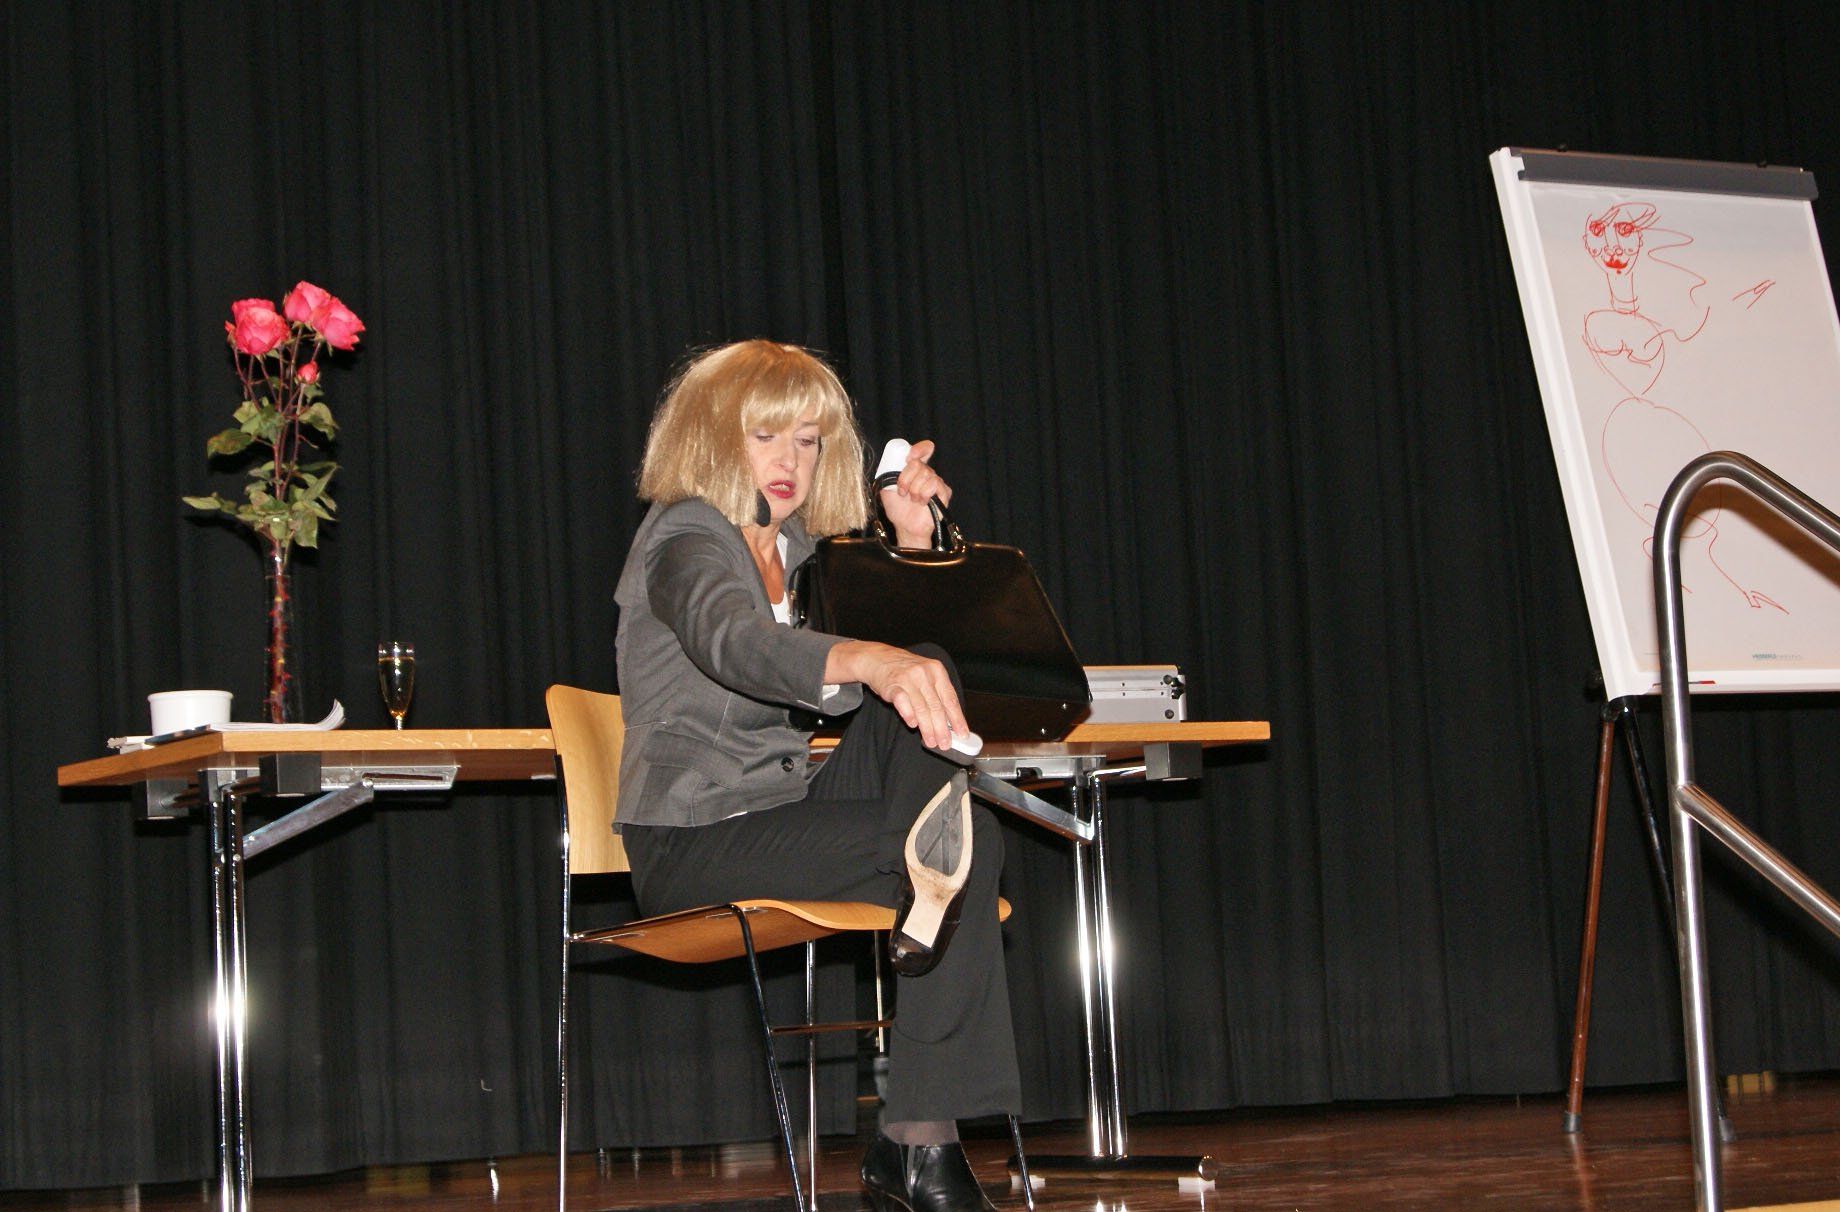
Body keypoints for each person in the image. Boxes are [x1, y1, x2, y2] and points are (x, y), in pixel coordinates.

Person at [613, 339, 1021, 1212]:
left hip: (783, 814)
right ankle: (918, 1152)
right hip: (691, 840)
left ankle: (916, 1142)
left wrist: (911, 544)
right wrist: (869, 659)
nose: (790, 461)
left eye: (807, 441)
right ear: (712, 437)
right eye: (766, 436)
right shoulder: (685, 536)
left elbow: (913, 662)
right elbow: (736, 643)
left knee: (954, 778)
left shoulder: (803, 553)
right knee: (961, 839)